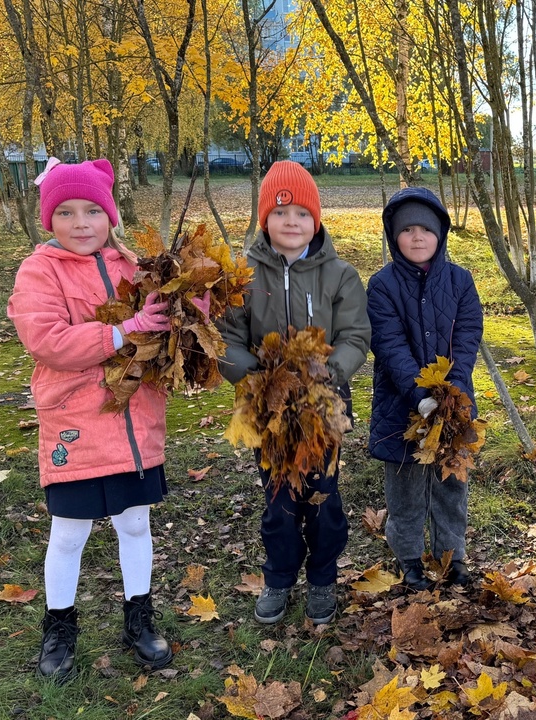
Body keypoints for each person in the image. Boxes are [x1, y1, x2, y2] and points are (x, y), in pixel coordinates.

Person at [8, 158, 192, 681]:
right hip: (76, 422)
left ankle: (139, 616)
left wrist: (188, 301)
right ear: (50, 219)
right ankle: (59, 625)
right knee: (69, 532)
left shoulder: (131, 265)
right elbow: (46, 340)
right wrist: (123, 330)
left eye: (93, 210)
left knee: (135, 523)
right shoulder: (38, 271)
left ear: (110, 215)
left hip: (134, 423)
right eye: (66, 212)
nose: (81, 222)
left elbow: (170, 311)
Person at [217, 161, 370, 625]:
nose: (292, 222)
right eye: (282, 213)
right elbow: (224, 337)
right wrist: (257, 380)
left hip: (324, 406)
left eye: (303, 214)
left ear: (316, 221)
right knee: (279, 499)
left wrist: (326, 375)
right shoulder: (243, 273)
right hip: (268, 409)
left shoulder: (339, 274)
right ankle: (279, 577)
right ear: (265, 218)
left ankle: (322, 579)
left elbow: (356, 336)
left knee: (322, 496)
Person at [367, 187, 484, 591]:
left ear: (441, 234)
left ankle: (454, 557)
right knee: (406, 490)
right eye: (408, 230)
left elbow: (468, 334)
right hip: (401, 406)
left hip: (453, 406)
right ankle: (411, 559)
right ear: (394, 236)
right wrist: (420, 396)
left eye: (426, 230)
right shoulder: (381, 286)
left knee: (451, 486)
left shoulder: (460, 281)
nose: (417, 237)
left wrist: (450, 392)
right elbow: (388, 344)